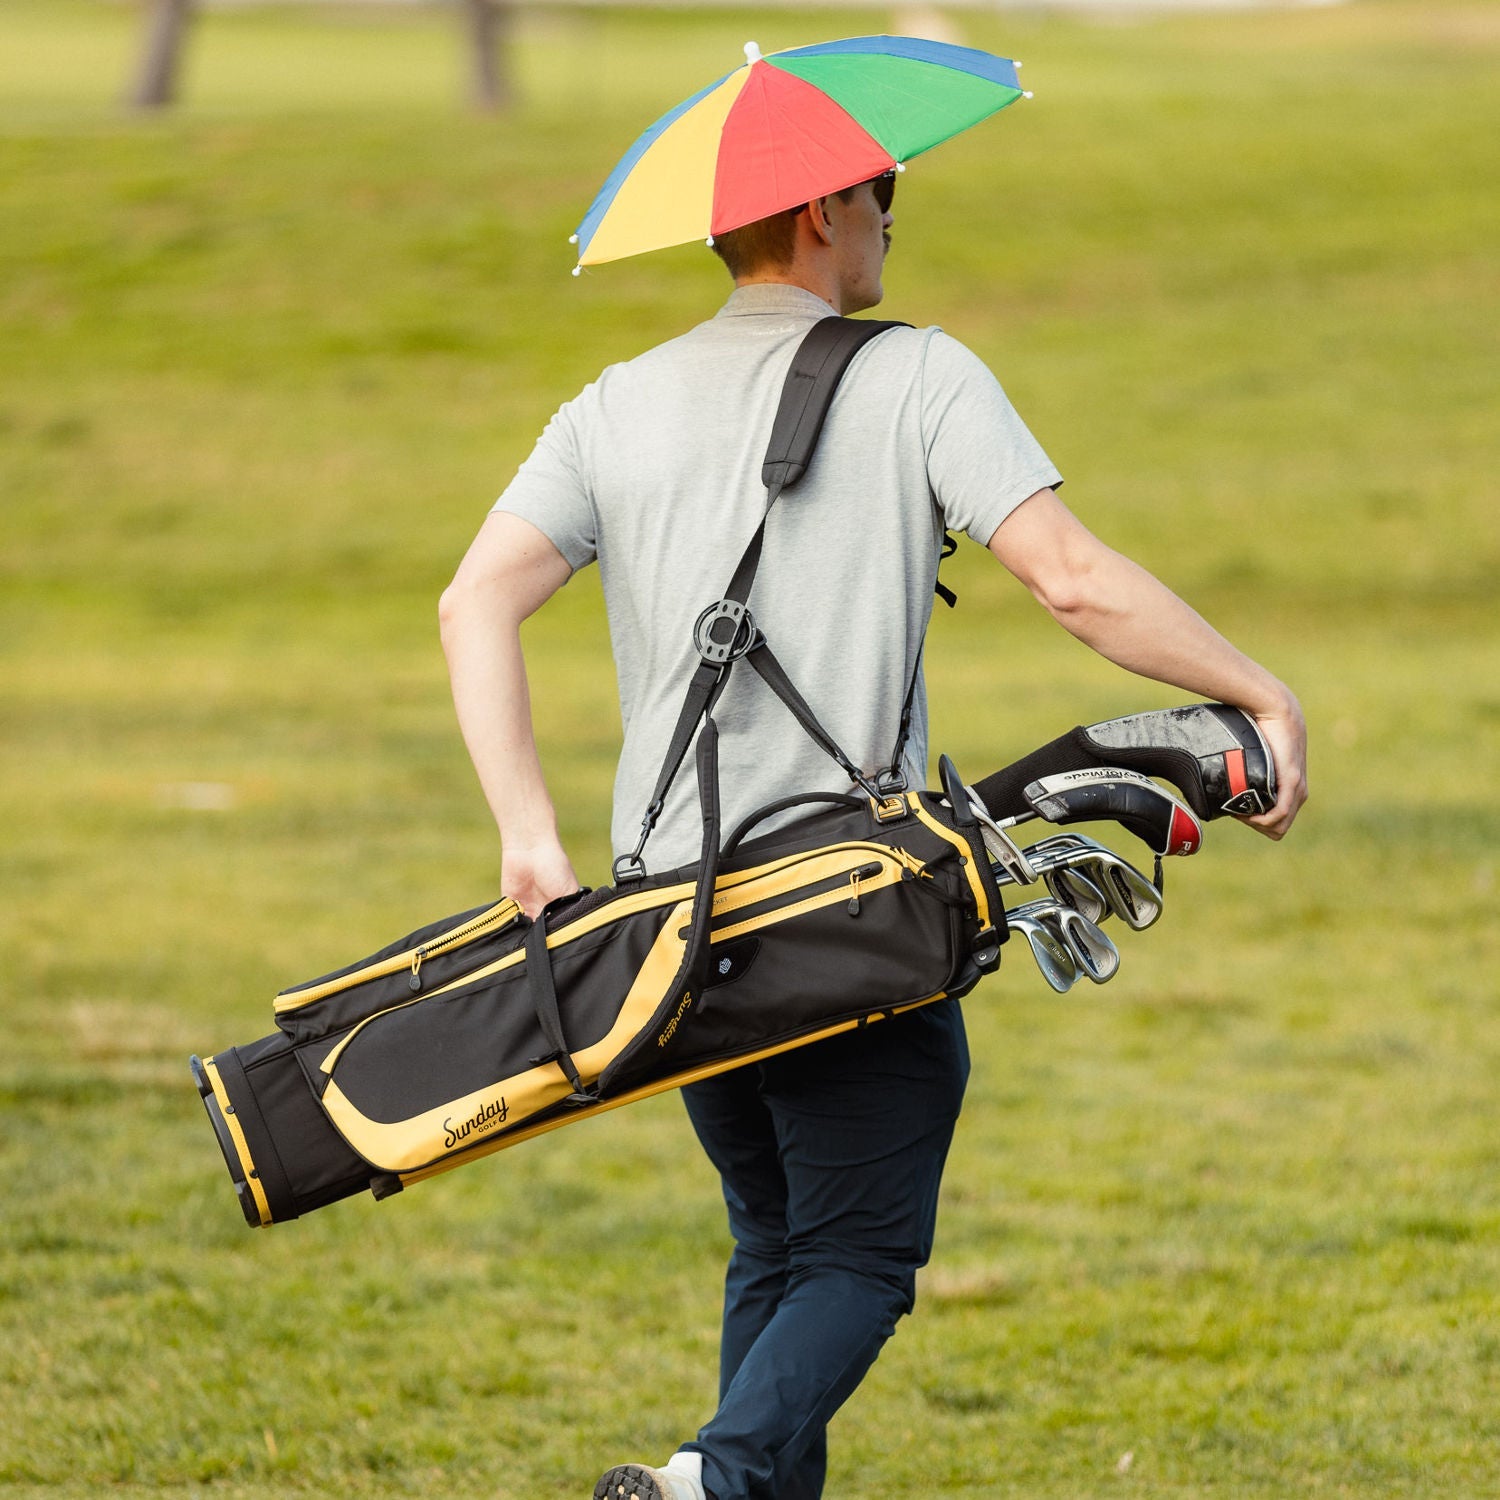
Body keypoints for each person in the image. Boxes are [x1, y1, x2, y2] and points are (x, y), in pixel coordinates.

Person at [439, 169, 1307, 1500]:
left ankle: (720, 1484)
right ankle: (702, 1484)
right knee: (855, 1263)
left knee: (778, 1247)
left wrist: (526, 836)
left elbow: (472, 602)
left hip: (671, 919)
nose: (893, 222)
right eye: (880, 199)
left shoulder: (610, 407)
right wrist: (1254, 687)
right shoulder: (918, 377)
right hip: (851, 909)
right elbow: (1072, 583)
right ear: (816, 216)